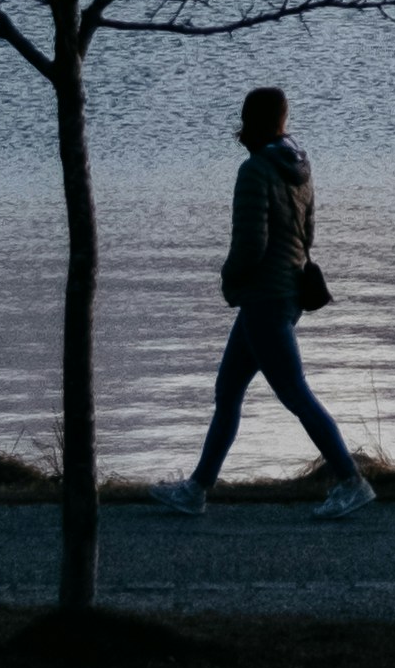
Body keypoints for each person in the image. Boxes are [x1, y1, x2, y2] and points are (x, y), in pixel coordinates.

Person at [152, 86, 371, 518]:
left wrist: (228, 278)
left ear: (250, 120)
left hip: (264, 299)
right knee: (228, 390)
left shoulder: (254, 171)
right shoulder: (300, 168)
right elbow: (307, 237)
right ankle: (195, 489)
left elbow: (251, 244)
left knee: (294, 393)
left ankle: (351, 480)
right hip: (286, 293)